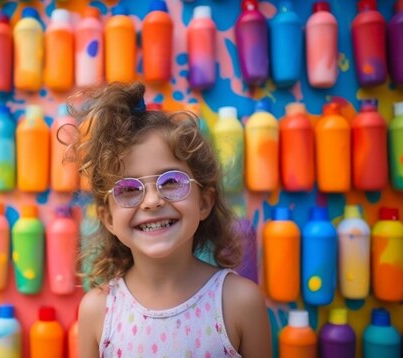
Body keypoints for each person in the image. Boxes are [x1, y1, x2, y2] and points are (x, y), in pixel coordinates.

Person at [67, 82, 271, 357]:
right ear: (108, 218)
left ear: (204, 202)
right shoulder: (97, 311)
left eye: (171, 182)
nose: (152, 201)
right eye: (128, 189)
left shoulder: (240, 302)